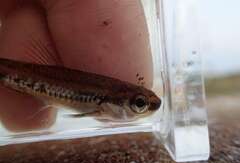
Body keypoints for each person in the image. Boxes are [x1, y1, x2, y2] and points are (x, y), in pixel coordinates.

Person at [0, 0, 153, 131]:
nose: (143, 107)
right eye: (139, 104)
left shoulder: (106, 98)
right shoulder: (105, 100)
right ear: (117, 101)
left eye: (140, 104)